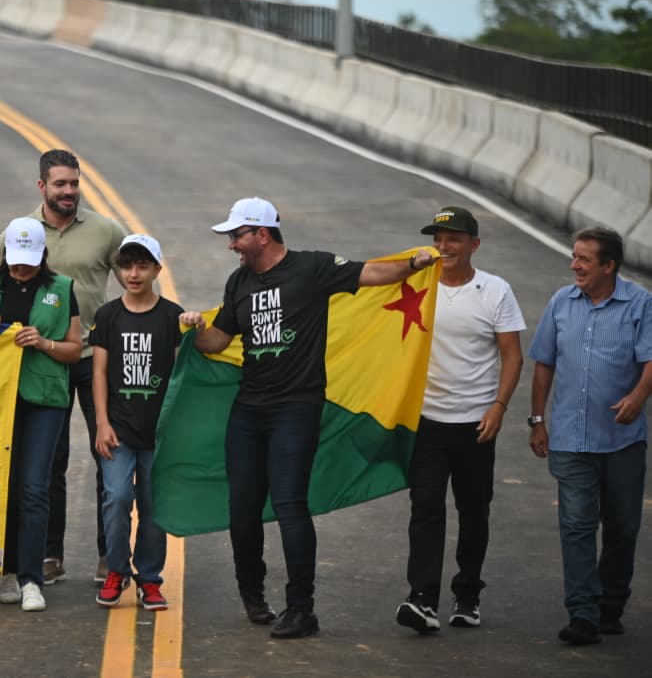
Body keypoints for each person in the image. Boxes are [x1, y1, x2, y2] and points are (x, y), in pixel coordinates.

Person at [193, 197, 436, 639]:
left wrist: (413, 264)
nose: (231, 245)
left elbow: (370, 273)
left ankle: (301, 608)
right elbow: (218, 340)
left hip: (295, 408)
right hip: (248, 411)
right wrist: (191, 330)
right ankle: (252, 594)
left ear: (261, 234)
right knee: (242, 508)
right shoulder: (238, 282)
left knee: (290, 505)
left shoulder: (311, 268)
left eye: (236, 236)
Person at [395, 207, 524, 633]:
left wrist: (498, 406)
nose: (443, 246)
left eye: (453, 238)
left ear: (474, 244)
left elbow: (512, 356)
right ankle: (421, 599)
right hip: (427, 422)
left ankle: (467, 594)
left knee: (473, 511)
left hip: (475, 425)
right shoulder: (417, 284)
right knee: (425, 509)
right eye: (438, 238)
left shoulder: (495, 291)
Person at [528, 227, 652, 646]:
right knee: (577, 526)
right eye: (574, 257)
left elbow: (651, 359)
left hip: (622, 441)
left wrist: (638, 396)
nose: (574, 266)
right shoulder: (561, 303)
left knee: (622, 528)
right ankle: (582, 613)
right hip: (570, 438)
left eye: (584, 259)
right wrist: (537, 420)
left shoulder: (640, 304)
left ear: (609, 265)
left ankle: (609, 607)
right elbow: (544, 363)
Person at [0, 217, 83, 612]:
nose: (21, 266)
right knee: (2, 485)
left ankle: (31, 579)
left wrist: (44, 343)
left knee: (33, 487)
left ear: (43, 254)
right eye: (15, 258)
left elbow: (75, 349)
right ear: (5, 253)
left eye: (29, 259)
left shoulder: (62, 289)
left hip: (44, 399)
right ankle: (6, 571)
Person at [8, 149, 123, 586]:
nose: (69, 191)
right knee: (49, 461)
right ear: (42, 186)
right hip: (44, 361)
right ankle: (50, 554)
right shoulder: (21, 231)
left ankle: (108, 555)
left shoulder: (106, 231)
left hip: (95, 358)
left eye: (74, 183)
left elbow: (135, 278)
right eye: (60, 184)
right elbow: (4, 285)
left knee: (106, 453)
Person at [91, 234, 205, 612]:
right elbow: (99, 373)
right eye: (126, 266)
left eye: (142, 266)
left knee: (154, 506)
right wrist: (102, 423)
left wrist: (194, 325)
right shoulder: (108, 316)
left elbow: (184, 371)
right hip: (119, 431)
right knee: (117, 498)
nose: (134, 274)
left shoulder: (171, 315)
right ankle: (116, 570)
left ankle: (150, 578)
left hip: (159, 433)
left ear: (157, 269)